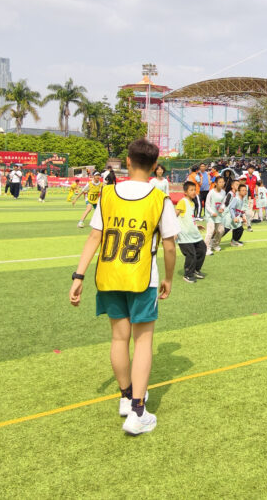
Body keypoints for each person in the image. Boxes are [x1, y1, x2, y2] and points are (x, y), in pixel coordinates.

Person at [69, 138, 178, 436]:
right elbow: (170, 246)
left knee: (119, 338)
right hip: (142, 277)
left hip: (109, 275)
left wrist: (78, 276)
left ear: (127, 161)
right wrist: (169, 278)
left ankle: (126, 396)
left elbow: (94, 237)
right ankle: (138, 412)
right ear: (154, 166)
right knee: (143, 341)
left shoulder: (107, 194)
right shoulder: (160, 199)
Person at [175, 181, 207, 283]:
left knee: (202, 249)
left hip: (193, 234)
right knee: (191, 254)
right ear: (185, 192)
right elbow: (174, 216)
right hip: (184, 235)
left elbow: (188, 218)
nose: (194, 192)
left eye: (195, 190)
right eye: (191, 190)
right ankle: (188, 274)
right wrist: (174, 231)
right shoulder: (183, 202)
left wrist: (196, 226)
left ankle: (196, 270)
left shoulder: (192, 203)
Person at [203, 175, 227, 254]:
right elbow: (207, 204)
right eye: (220, 182)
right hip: (210, 215)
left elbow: (223, 203)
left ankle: (215, 244)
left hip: (218, 215)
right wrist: (212, 212)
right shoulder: (211, 192)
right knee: (210, 231)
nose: (222, 183)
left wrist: (222, 208)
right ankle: (206, 248)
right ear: (216, 183)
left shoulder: (223, 192)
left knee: (221, 230)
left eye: (223, 182)